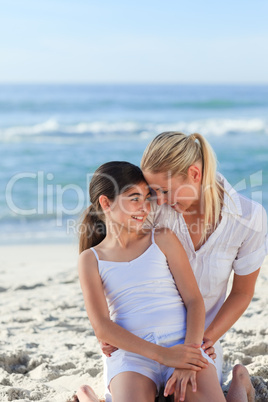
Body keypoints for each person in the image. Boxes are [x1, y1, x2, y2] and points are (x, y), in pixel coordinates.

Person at [76, 161, 256, 402]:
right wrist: (163, 356)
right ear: (106, 203)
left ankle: (240, 381)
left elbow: (194, 300)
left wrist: (189, 354)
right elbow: (102, 326)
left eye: (146, 198)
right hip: (133, 355)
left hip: (182, 343)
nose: (144, 208)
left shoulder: (162, 238)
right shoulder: (91, 259)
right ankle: (87, 395)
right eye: (134, 198)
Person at [140, 131, 267, 386]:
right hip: (147, 337)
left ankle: (240, 381)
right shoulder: (153, 209)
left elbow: (242, 293)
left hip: (201, 338)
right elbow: (114, 258)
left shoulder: (249, 218)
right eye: (154, 191)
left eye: (165, 190)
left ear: (195, 174)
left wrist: (203, 342)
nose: (159, 200)